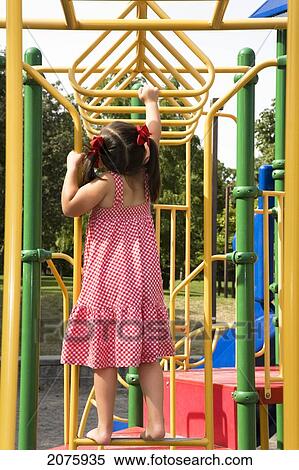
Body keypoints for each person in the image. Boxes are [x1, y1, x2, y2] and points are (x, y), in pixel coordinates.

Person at [60, 84, 175, 446]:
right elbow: (152, 134)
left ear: (105, 159)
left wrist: (71, 168)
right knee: (149, 353)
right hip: (145, 279)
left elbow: (69, 207)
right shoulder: (145, 178)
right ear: (141, 154)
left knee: (104, 353)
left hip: (108, 280)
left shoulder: (105, 185)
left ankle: (105, 429)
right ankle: (157, 426)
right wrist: (151, 102)